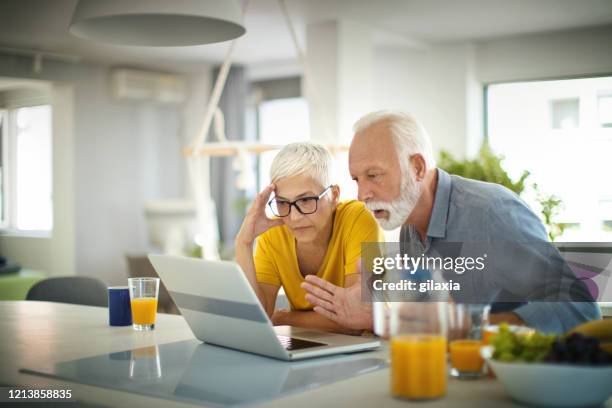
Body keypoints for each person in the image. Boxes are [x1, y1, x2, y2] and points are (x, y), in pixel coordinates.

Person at [301, 110, 600, 334]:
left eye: (374, 175)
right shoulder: (409, 228)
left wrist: (477, 328)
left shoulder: (491, 214)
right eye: (356, 179)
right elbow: (429, 327)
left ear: (417, 167)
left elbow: (580, 309)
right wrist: (378, 312)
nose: (363, 193)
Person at [235, 142, 382, 333]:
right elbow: (258, 317)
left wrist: (283, 317)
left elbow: (356, 318)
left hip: (362, 349)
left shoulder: (360, 218)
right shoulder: (273, 233)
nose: (294, 217)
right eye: (282, 202)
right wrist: (243, 243)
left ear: (334, 195)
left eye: (305, 200)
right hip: (307, 345)